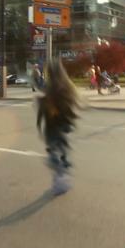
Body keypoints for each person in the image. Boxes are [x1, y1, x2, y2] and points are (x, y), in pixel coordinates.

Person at [35, 59, 80, 195]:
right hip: (63, 125)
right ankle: (63, 175)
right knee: (61, 149)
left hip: (53, 126)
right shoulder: (67, 86)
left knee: (53, 151)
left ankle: (61, 179)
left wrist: (41, 103)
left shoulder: (52, 88)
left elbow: (51, 109)